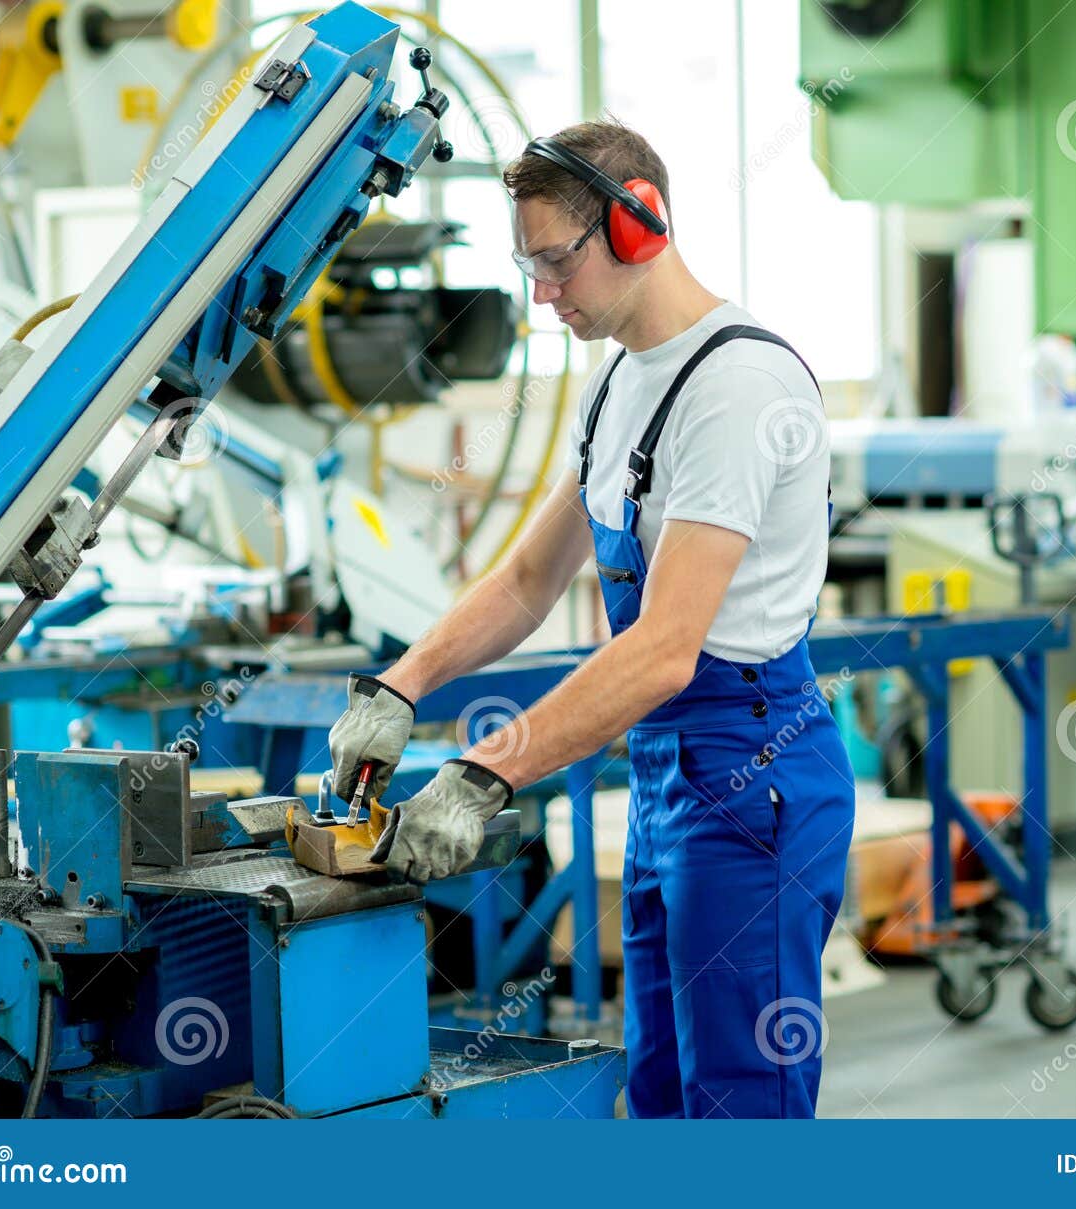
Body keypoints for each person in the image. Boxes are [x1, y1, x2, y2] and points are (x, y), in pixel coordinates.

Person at [327, 119, 855, 1117]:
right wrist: (399, 683)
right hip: (666, 778)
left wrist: (483, 772)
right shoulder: (616, 378)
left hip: (751, 773)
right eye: (525, 267)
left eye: (555, 263)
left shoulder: (738, 387)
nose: (541, 293)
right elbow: (531, 579)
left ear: (640, 224)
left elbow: (661, 651)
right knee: (657, 1087)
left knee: (740, 1100)